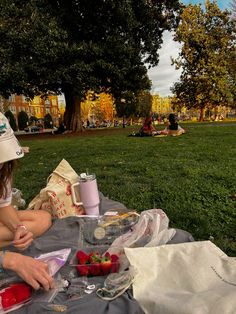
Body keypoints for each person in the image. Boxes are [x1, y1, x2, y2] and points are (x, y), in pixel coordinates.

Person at [0, 112, 54, 291]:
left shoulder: (3, 168)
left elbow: (4, 206)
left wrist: (19, 228)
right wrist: (11, 260)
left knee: (43, 219)